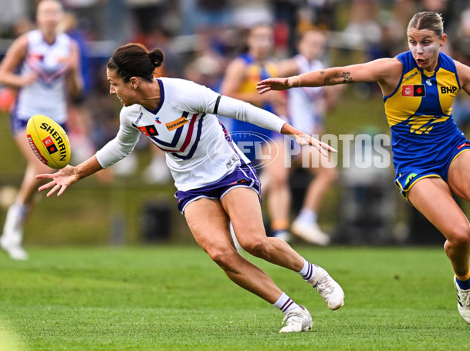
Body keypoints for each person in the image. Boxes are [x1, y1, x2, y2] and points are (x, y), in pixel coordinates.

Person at [258, 11, 470, 325]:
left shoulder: (458, 73)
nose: (418, 50)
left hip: (453, 150)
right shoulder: (393, 69)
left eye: (426, 43)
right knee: (460, 235)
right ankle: (464, 283)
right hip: (415, 165)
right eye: (413, 42)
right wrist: (292, 82)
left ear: (442, 41)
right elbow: (338, 74)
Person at [36, 43, 344, 333]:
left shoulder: (184, 92)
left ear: (133, 82)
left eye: (114, 83)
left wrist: (290, 130)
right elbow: (119, 148)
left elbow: (239, 109)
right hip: (191, 186)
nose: (111, 90)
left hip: (229, 171)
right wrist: (77, 172)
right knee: (221, 253)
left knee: (253, 242)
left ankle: (316, 276)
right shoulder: (131, 114)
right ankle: (294, 311)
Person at [0, 0, 83, 260]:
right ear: (38, 17)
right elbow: (3, 73)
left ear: (59, 17)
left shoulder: (69, 46)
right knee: (43, 168)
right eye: (45, 12)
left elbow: (77, 90)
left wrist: (71, 72)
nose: (49, 17)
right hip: (26, 115)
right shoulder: (27, 42)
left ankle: (13, 232)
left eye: (54, 13)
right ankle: (12, 227)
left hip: (57, 118)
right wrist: (22, 80)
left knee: (35, 175)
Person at [221, 23, 291, 241]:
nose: (264, 43)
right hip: (243, 132)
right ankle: (235, 228)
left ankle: (281, 231)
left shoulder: (272, 67)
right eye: (259, 38)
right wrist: (260, 98)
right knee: (239, 185)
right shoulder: (240, 66)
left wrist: (281, 108)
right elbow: (225, 96)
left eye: (267, 38)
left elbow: (277, 99)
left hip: (269, 132)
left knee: (279, 178)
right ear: (249, 41)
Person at [277, 30, 340, 245]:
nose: (315, 47)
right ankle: (304, 220)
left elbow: (327, 107)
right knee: (326, 173)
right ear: (301, 44)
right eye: (311, 42)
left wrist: (335, 90)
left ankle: (295, 223)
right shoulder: (293, 65)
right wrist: (278, 105)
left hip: (305, 134)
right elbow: (268, 81)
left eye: (319, 43)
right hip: (291, 133)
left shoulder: (319, 70)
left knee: (270, 182)